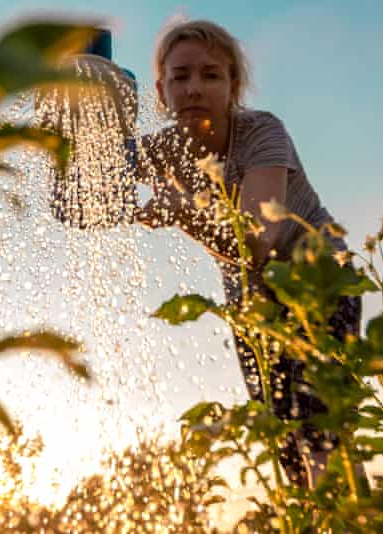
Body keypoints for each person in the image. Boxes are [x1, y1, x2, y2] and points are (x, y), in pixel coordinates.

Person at [136, 20, 362, 488]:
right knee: (282, 434)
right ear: (161, 90)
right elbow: (91, 182)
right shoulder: (163, 150)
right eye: (180, 77)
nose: (194, 88)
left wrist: (182, 213)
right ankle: (316, 514)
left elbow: (257, 242)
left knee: (321, 427)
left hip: (319, 280)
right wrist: (80, 111)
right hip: (255, 307)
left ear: (233, 85)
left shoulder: (262, 132)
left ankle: (355, 518)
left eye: (210, 75)